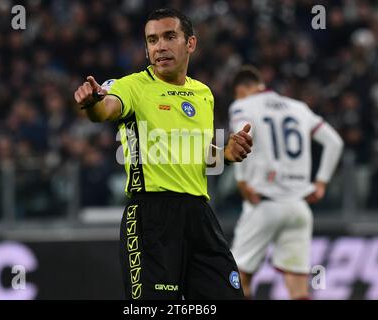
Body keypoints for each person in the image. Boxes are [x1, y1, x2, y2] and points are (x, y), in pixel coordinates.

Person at [73, 8, 252, 300]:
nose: (160, 46)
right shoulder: (132, 86)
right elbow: (104, 110)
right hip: (151, 217)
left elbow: (199, 153)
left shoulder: (203, 93)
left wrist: (226, 154)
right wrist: (92, 102)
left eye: (169, 37)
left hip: (199, 216)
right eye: (152, 40)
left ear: (190, 44)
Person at [229, 65, 344, 299]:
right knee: (298, 289)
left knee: (238, 278)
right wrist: (321, 182)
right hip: (299, 208)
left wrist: (241, 181)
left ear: (241, 89)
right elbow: (334, 142)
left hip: (264, 203)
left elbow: (242, 138)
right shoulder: (298, 107)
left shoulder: (242, 105)